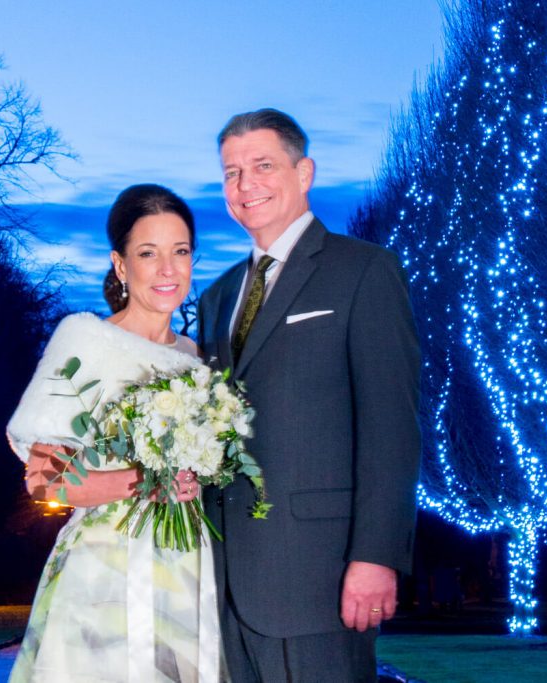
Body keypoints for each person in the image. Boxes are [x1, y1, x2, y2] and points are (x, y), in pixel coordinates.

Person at [197, 109, 421, 682]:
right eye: (231, 173)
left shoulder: (363, 271)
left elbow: (391, 425)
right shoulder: (217, 297)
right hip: (222, 584)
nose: (245, 185)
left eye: (262, 165)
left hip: (320, 577)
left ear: (305, 173)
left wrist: (376, 556)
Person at [6, 184, 220, 682]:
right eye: (149, 253)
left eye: (180, 252)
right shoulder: (85, 342)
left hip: (187, 573)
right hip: (105, 574)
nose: (168, 269)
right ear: (121, 265)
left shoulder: (199, 361)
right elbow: (43, 481)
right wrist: (144, 482)